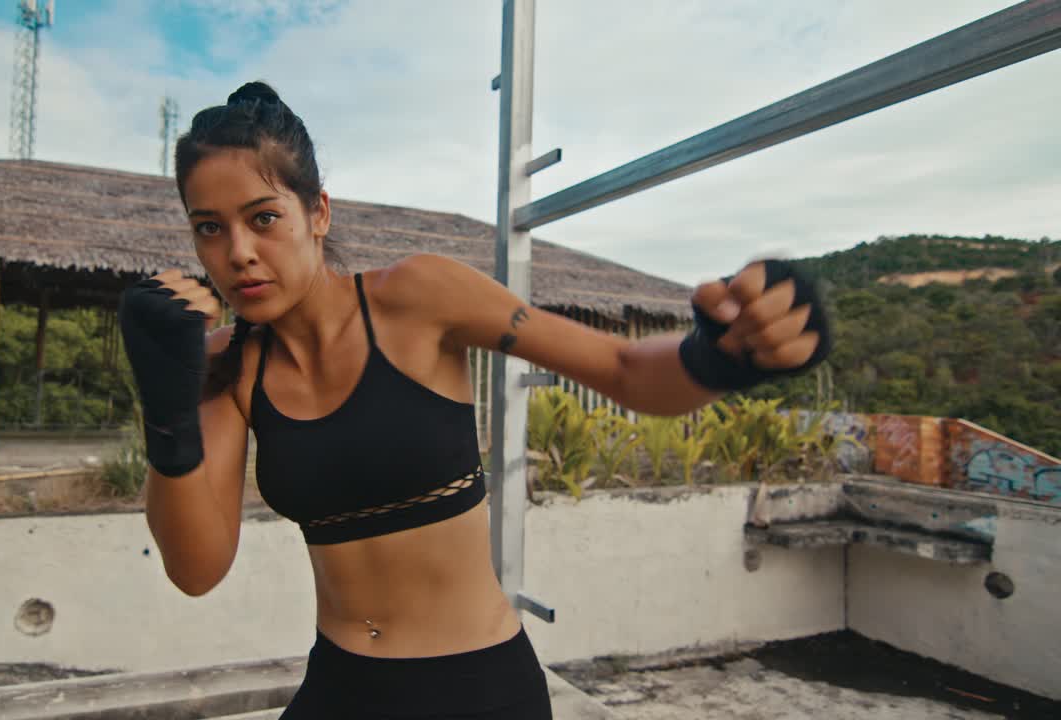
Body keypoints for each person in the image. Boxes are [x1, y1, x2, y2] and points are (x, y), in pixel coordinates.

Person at [118, 81, 831, 719]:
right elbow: (196, 569)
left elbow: (620, 368)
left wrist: (720, 358)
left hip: (477, 691)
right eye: (209, 227)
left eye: (263, 218)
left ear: (318, 213)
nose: (237, 251)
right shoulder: (225, 365)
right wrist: (168, 413)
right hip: (339, 687)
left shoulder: (417, 298)